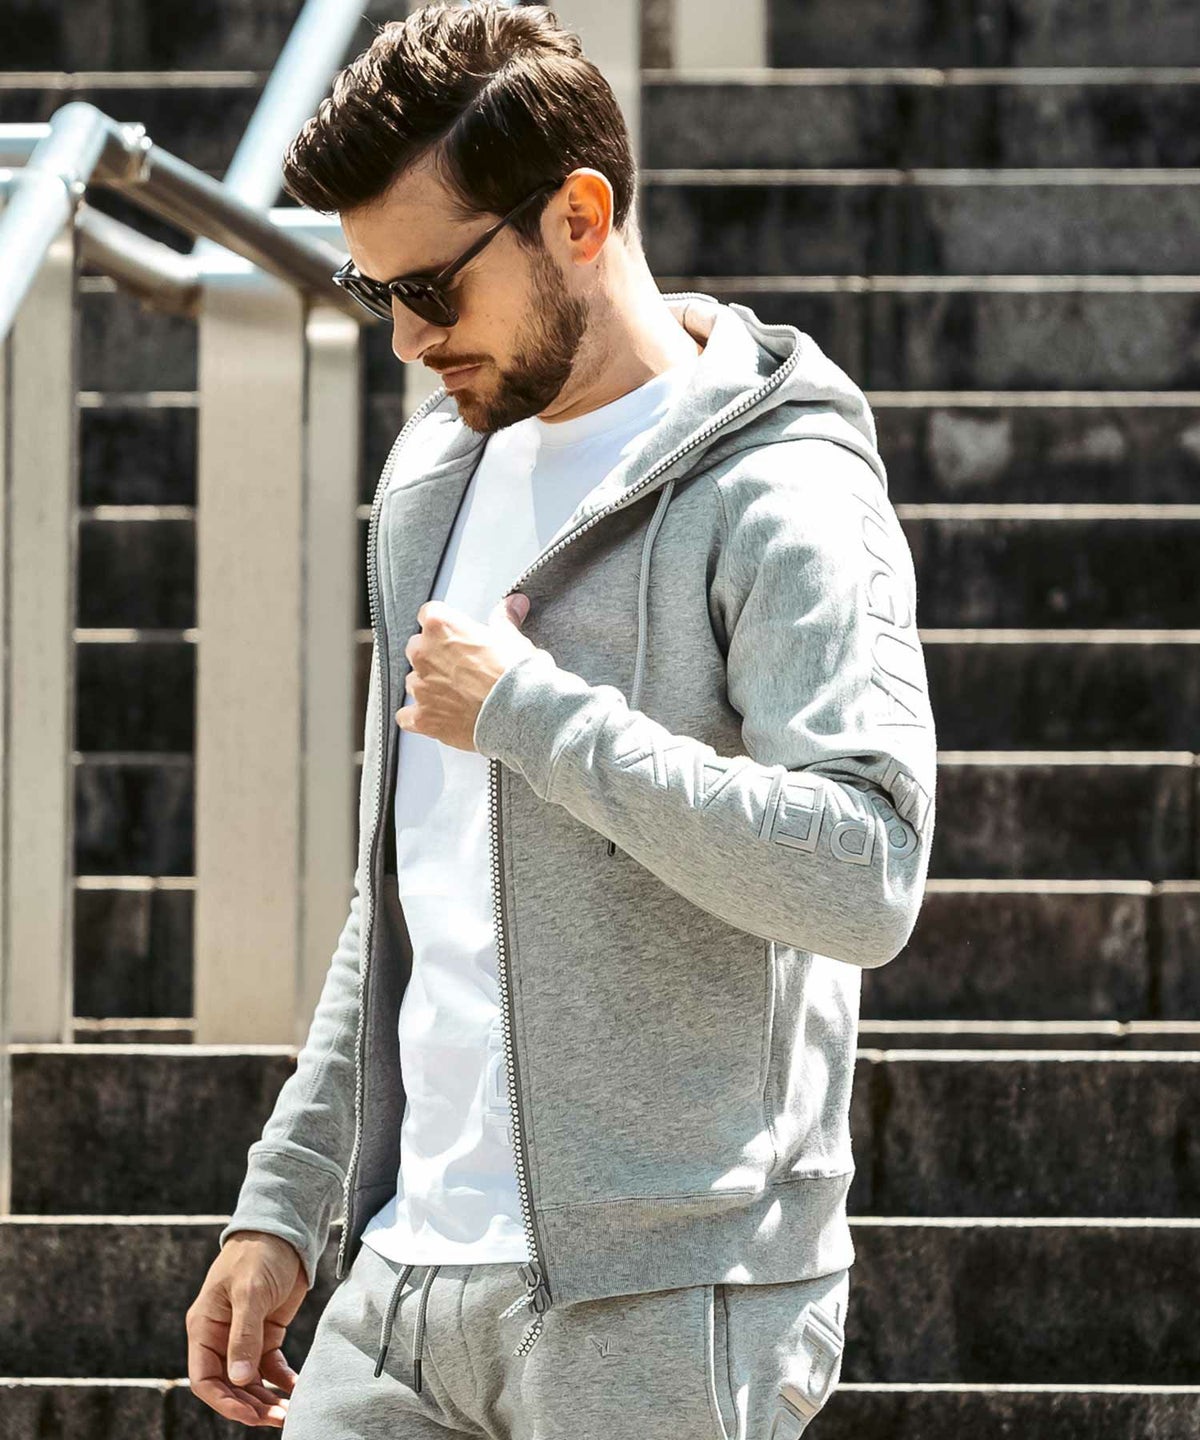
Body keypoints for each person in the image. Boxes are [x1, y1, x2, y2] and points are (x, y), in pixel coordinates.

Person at [184, 4, 937, 1436]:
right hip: (402, 1280)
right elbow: (407, 887)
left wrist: (536, 716)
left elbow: (867, 871)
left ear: (579, 218)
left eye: (434, 288)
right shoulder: (434, 479)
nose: (408, 339)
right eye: (376, 289)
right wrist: (288, 1197)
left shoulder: (784, 496)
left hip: (668, 1294)